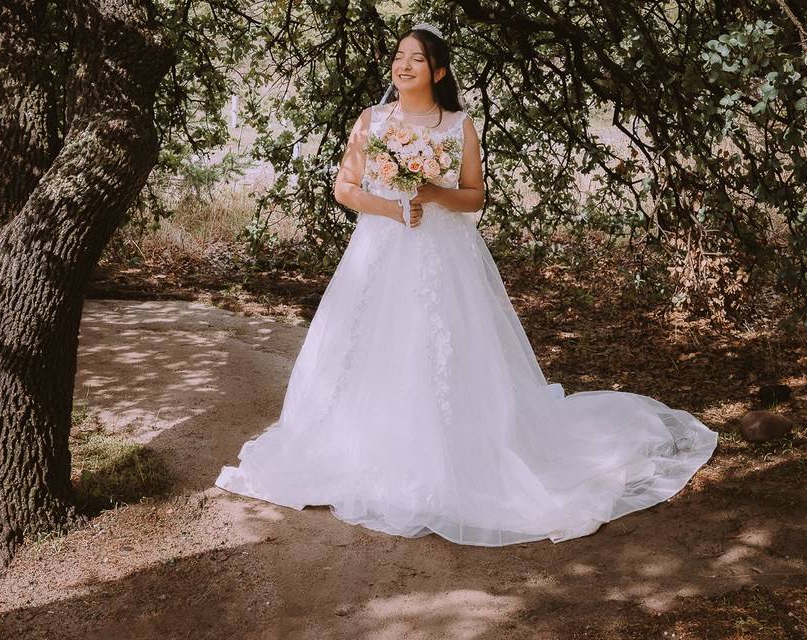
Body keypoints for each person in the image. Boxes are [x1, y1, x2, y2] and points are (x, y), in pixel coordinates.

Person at [214, 23, 719, 546]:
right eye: (399, 57)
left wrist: (432, 192)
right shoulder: (372, 120)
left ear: (438, 71)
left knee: (445, 346)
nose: (403, 66)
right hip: (379, 250)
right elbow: (345, 187)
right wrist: (391, 206)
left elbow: (475, 197)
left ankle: (453, 454)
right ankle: (365, 453)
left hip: (443, 255)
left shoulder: (458, 126)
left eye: (416, 59)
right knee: (373, 346)